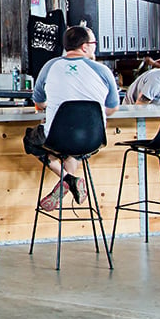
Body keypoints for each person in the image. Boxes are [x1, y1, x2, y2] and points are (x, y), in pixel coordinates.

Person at [24, 26, 119, 212]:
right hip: (93, 139)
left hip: (56, 138)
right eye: (93, 44)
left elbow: (39, 102)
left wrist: (56, 108)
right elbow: (112, 108)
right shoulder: (103, 71)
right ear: (84, 47)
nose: (94, 48)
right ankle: (69, 180)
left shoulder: (50, 66)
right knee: (73, 150)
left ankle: (67, 179)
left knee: (32, 140)